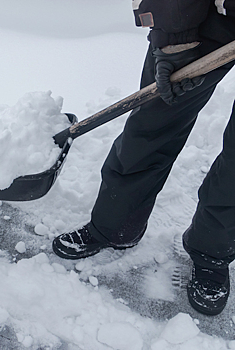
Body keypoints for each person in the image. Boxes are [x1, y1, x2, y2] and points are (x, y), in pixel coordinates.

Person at [52, 0, 235, 316]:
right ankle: (114, 226)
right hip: (208, 13)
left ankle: (213, 251)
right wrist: (175, 37)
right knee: (151, 126)